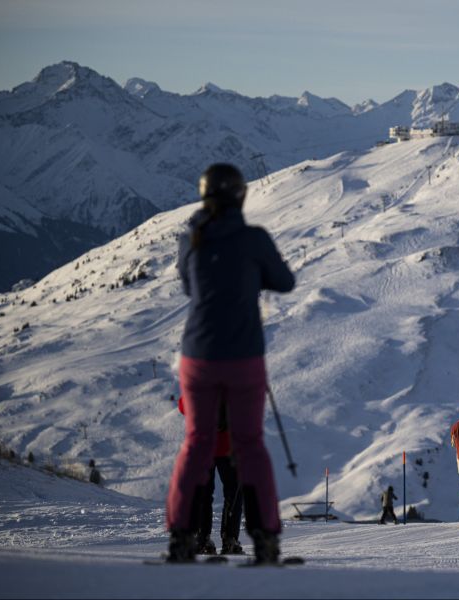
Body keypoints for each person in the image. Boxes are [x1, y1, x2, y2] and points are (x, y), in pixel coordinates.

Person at [166, 163, 295, 564]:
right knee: (250, 446)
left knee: (195, 445)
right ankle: (266, 539)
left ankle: (182, 538)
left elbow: (190, 286)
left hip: (197, 355)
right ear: (241, 196)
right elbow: (285, 281)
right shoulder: (253, 239)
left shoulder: (192, 238)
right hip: (243, 355)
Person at [178, 395, 244, 555]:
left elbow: (183, 407)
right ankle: (230, 540)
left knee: (203, 494)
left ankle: (202, 540)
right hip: (228, 446)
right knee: (233, 493)